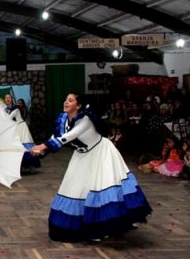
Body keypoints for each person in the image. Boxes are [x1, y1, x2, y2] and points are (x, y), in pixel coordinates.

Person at [29, 92, 152, 243]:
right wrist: (41, 150)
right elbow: (56, 137)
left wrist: (43, 146)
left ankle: (103, 228)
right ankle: (78, 228)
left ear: (78, 105)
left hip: (101, 153)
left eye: (70, 100)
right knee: (74, 188)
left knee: (102, 188)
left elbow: (68, 137)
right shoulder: (63, 119)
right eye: (66, 99)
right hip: (82, 155)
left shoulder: (85, 119)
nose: (66, 102)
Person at [4, 93, 40, 172]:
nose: (7, 99)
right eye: (6, 98)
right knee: (16, 147)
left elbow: (8, 118)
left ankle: (31, 165)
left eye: (9, 97)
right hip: (14, 129)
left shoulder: (16, 108)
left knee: (25, 145)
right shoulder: (5, 110)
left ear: (12, 99)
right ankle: (20, 166)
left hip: (21, 128)